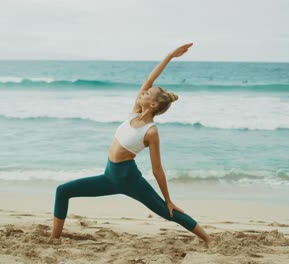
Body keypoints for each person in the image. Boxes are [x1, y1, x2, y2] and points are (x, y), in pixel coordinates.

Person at [49, 43, 214, 248]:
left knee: (167, 211)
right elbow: (149, 80)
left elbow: (157, 169)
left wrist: (169, 199)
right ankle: (54, 239)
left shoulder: (151, 132)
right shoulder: (135, 112)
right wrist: (170, 56)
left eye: (147, 94)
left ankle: (208, 239)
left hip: (129, 179)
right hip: (109, 176)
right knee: (63, 191)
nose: (142, 93)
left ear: (153, 105)